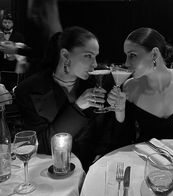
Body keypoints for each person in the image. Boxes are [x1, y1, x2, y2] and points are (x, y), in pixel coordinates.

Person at [14, 26, 124, 171]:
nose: (95, 64)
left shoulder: (98, 83)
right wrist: (77, 107)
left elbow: (108, 129)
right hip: (52, 171)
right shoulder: (28, 90)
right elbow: (41, 144)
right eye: (88, 56)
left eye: (96, 56)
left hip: (95, 167)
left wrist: (101, 156)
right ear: (65, 55)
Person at [107, 27, 173, 143]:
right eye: (126, 56)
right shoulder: (130, 86)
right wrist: (120, 109)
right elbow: (125, 137)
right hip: (145, 156)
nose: (126, 63)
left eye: (132, 55)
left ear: (154, 54)